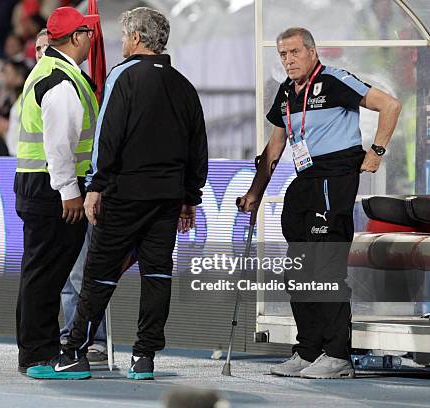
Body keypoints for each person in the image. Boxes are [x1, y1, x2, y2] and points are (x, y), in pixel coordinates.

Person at [26, 7, 208, 380]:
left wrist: (96, 185)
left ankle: (75, 350)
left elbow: (107, 137)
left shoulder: (121, 77)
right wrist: (190, 197)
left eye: (125, 35)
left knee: (99, 275)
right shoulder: (183, 84)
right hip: (168, 199)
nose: (121, 43)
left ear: (137, 38)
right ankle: (144, 358)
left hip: (125, 194)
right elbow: (197, 147)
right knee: (157, 276)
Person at [237, 27, 401, 379]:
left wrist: (377, 151)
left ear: (312, 51)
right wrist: (255, 192)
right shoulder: (286, 92)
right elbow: (275, 147)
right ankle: (309, 350)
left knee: (325, 270)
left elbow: (390, 105)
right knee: (296, 270)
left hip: (335, 178)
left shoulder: (334, 80)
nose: (288, 59)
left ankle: (337, 355)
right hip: (304, 181)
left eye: (294, 52)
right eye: (282, 54)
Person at [14, 6, 99, 373]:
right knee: (46, 274)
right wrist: (70, 192)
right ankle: (40, 354)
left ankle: (36, 350)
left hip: (40, 183)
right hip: (54, 187)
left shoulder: (50, 71)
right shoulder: (61, 81)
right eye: (88, 32)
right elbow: (59, 145)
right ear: (76, 37)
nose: (92, 38)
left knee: (40, 271)